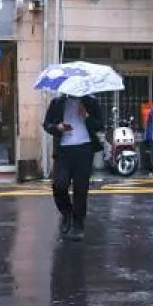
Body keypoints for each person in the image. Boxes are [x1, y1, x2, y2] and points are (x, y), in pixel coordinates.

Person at [43, 93, 104, 240]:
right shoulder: (57, 102)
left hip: (84, 150)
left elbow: (100, 125)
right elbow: (47, 124)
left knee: (81, 189)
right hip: (63, 151)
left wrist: (86, 116)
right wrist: (57, 127)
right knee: (59, 184)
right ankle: (66, 213)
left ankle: (78, 224)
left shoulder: (91, 101)